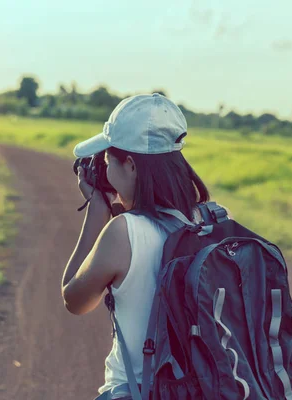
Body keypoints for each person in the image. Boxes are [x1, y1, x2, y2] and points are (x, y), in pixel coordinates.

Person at [61, 93, 212, 400]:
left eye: (106, 161)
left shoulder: (124, 232)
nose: (104, 171)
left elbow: (74, 300)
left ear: (130, 165)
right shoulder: (212, 222)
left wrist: (97, 210)